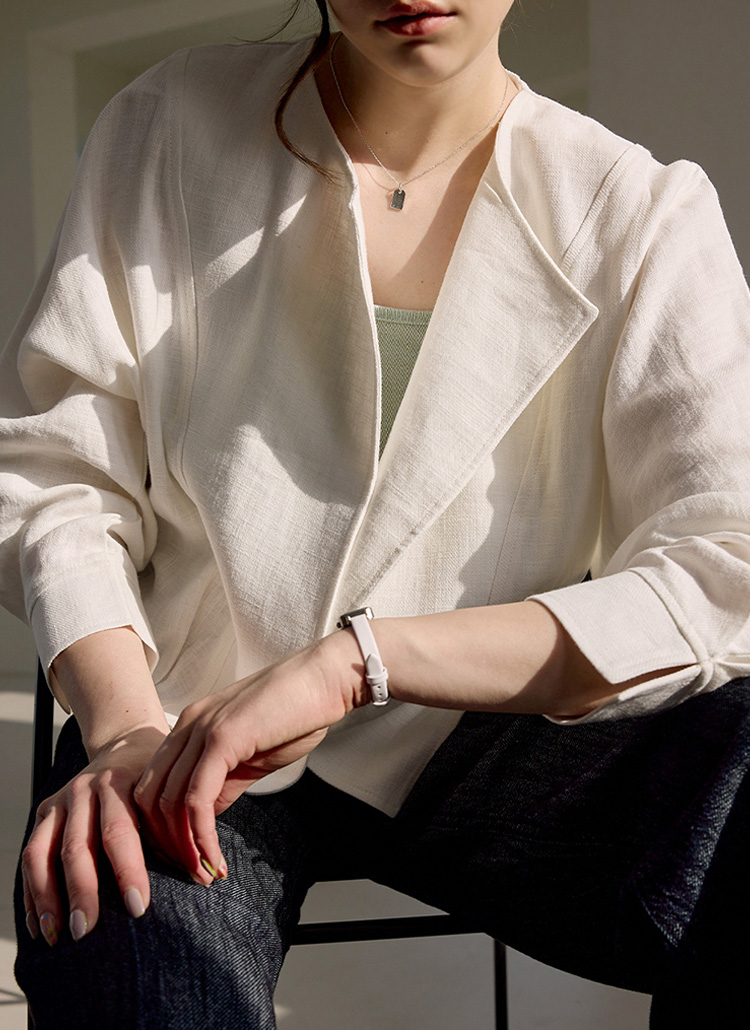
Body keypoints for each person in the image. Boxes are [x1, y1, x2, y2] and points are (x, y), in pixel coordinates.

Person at [3, 0, 750, 1026]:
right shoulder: (170, 124)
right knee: (131, 950)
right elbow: (58, 468)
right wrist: (123, 731)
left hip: (481, 730)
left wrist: (357, 662)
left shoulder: (639, 211)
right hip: (179, 720)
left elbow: (723, 565)